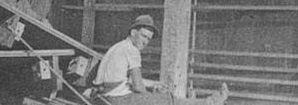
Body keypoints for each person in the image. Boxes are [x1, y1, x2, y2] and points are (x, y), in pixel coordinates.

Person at [93, 15, 229, 105]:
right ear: (133, 32)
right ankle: (210, 102)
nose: (145, 42)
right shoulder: (132, 51)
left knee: (162, 97)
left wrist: (153, 84)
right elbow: (138, 87)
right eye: (143, 36)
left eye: (148, 39)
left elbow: (123, 80)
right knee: (167, 100)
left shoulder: (118, 46)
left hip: (107, 97)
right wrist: (151, 99)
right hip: (119, 100)